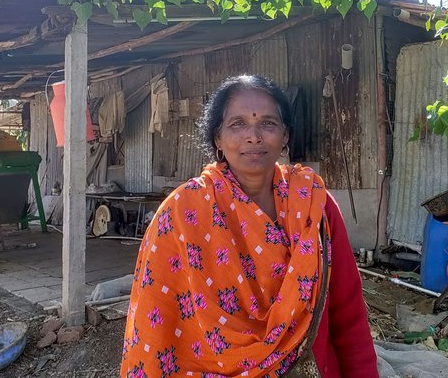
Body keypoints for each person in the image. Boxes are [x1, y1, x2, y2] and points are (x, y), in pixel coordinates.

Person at [121, 74, 378, 377]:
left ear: (285, 136)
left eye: (268, 123)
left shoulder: (314, 207)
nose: (254, 136)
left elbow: (348, 315)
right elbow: (156, 323)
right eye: (238, 124)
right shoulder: (180, 215)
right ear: (217, 138)